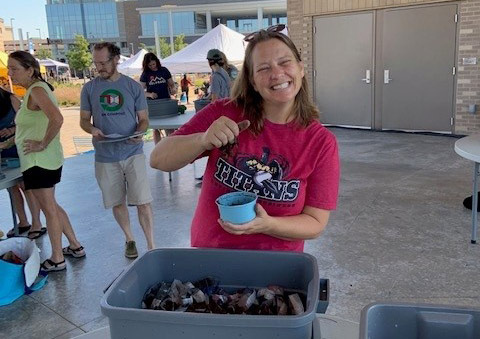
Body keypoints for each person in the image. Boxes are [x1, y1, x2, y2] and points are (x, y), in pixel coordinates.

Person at [150, 25, 340, 252]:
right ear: (252, 81)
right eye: (264, 68)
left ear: (300, 69)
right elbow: (158, 159)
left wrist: (268, 225)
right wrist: (202, 140)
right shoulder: (224, 113)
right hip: (211, 255)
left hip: (277, 269)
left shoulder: (320, 142)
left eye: (284, 62)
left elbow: (316, 223)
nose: (277, 74)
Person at [8, 51, 85, 271]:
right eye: (10, 69)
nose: (11, 74)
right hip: (41, 160)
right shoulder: (36, 90)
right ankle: (75, 245)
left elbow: (57, 118)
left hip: (39, 161)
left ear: (30, 70)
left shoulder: (37, 90)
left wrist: (41, 143)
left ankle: (57, 258)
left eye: (15, 69)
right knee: (51, 205)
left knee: (48, 209)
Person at [80, 42, 155, 259]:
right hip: (105, 155)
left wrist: (139, 133)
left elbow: (143, 120)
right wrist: (92, 129)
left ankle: (151, 246)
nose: (99, 67)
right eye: (96, 63)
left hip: (132, 151)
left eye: (103, 63)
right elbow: (84, 120)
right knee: (116, 201)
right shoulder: (89, 88)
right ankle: (129, 239)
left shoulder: (132, 87)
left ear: (115, 60)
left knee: (143, 201)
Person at [0, 87, 45, 240]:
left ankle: (37, 223)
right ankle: (23, 221)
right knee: (12, 188)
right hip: (2, 150)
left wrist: (11, 130)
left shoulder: (10, 98)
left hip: (18, 146)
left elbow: (25, 121)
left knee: (26, 186)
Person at [139, 52, 176, 144]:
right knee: (156, 128)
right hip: (153, 104)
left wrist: (173, 89)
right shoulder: (145, 74)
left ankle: (171, 146)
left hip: (166, 102)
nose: (152, 66)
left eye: (153, 64)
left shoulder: (164, 70)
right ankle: (158, 148)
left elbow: (171, 84)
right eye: (150, 65)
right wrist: (149, 94)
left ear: (157, 62)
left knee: (170, 127)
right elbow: (140, 91)